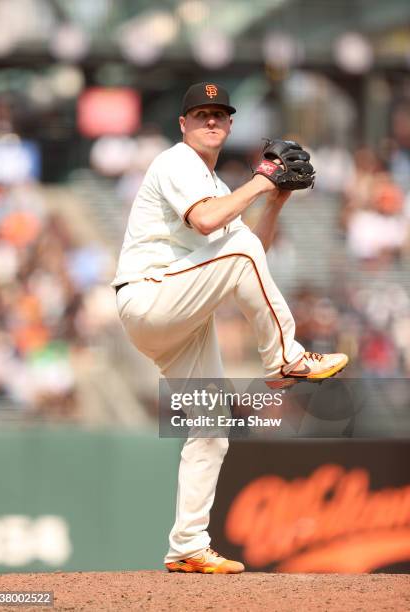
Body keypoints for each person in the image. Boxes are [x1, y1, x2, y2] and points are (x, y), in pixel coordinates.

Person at [112, 82, 348, 574]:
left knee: (211, 427)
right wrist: (262, 180)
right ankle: (286, 358)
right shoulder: (176, 161)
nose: (211, 120)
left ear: (231, 123)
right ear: (183, 124)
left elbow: (250, 249)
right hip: (151, 296)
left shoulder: (219, 185)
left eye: (219, 113)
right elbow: (204, 223)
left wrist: (276, 198)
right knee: (237, 254)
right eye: (201, 113)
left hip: (179, 314)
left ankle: (187, 546)